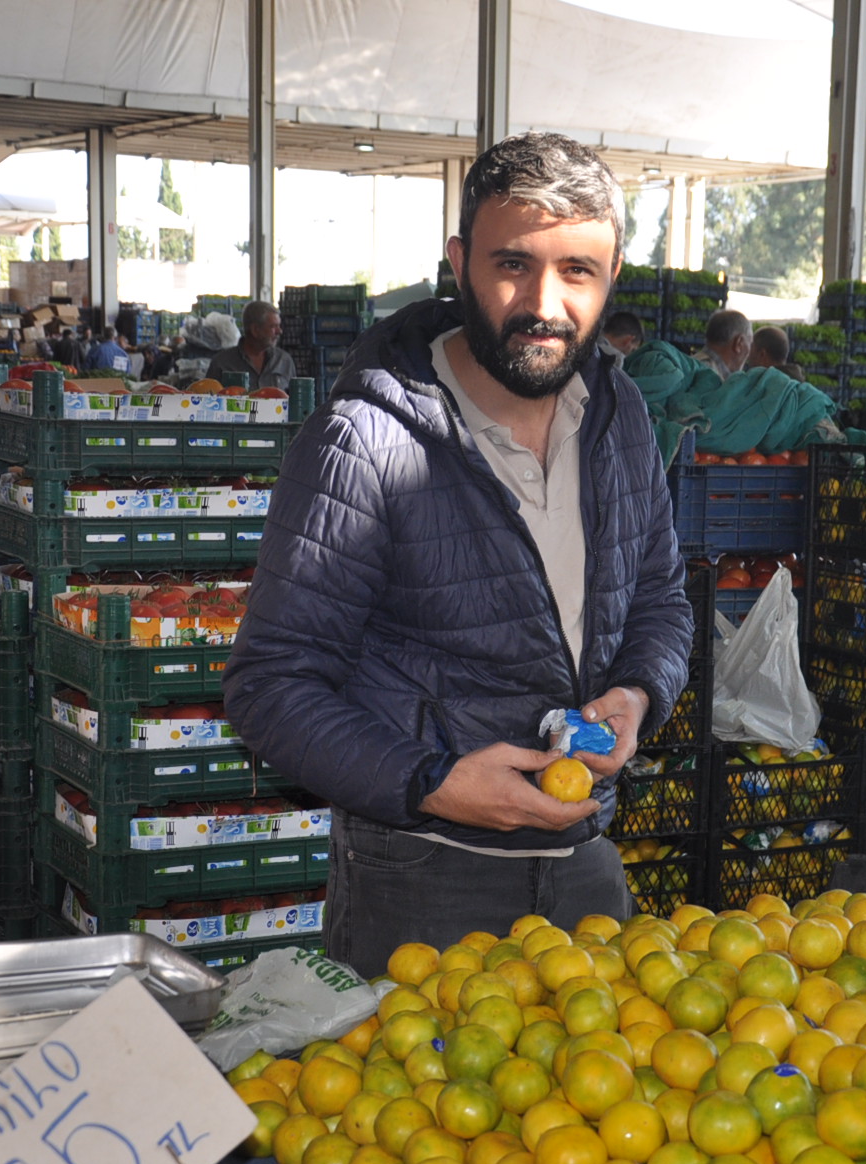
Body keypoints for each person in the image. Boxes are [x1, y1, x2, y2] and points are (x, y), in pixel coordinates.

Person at [223, 132, 693, 978]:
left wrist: (637, 691)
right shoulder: (362, 443)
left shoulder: (621, 422)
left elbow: (661, 598)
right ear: (458, 261)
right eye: (512, 264)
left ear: (613, 273)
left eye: (577, 271)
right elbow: (269, 688)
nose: (542, 302)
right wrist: (433, 781)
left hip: (586, 863)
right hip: (421, 876)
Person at [205, 301, 299, 389]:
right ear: (255, 330)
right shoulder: (222, 364)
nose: (279, 331)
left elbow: (294, 401)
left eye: (279, 326)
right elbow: (208, 401)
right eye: (273, 327)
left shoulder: (284, 361)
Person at [695, 309, 752, 382]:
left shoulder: (694, 365)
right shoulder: (711, 378)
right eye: (750, 342)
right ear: (739, 343)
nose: (749, 352)